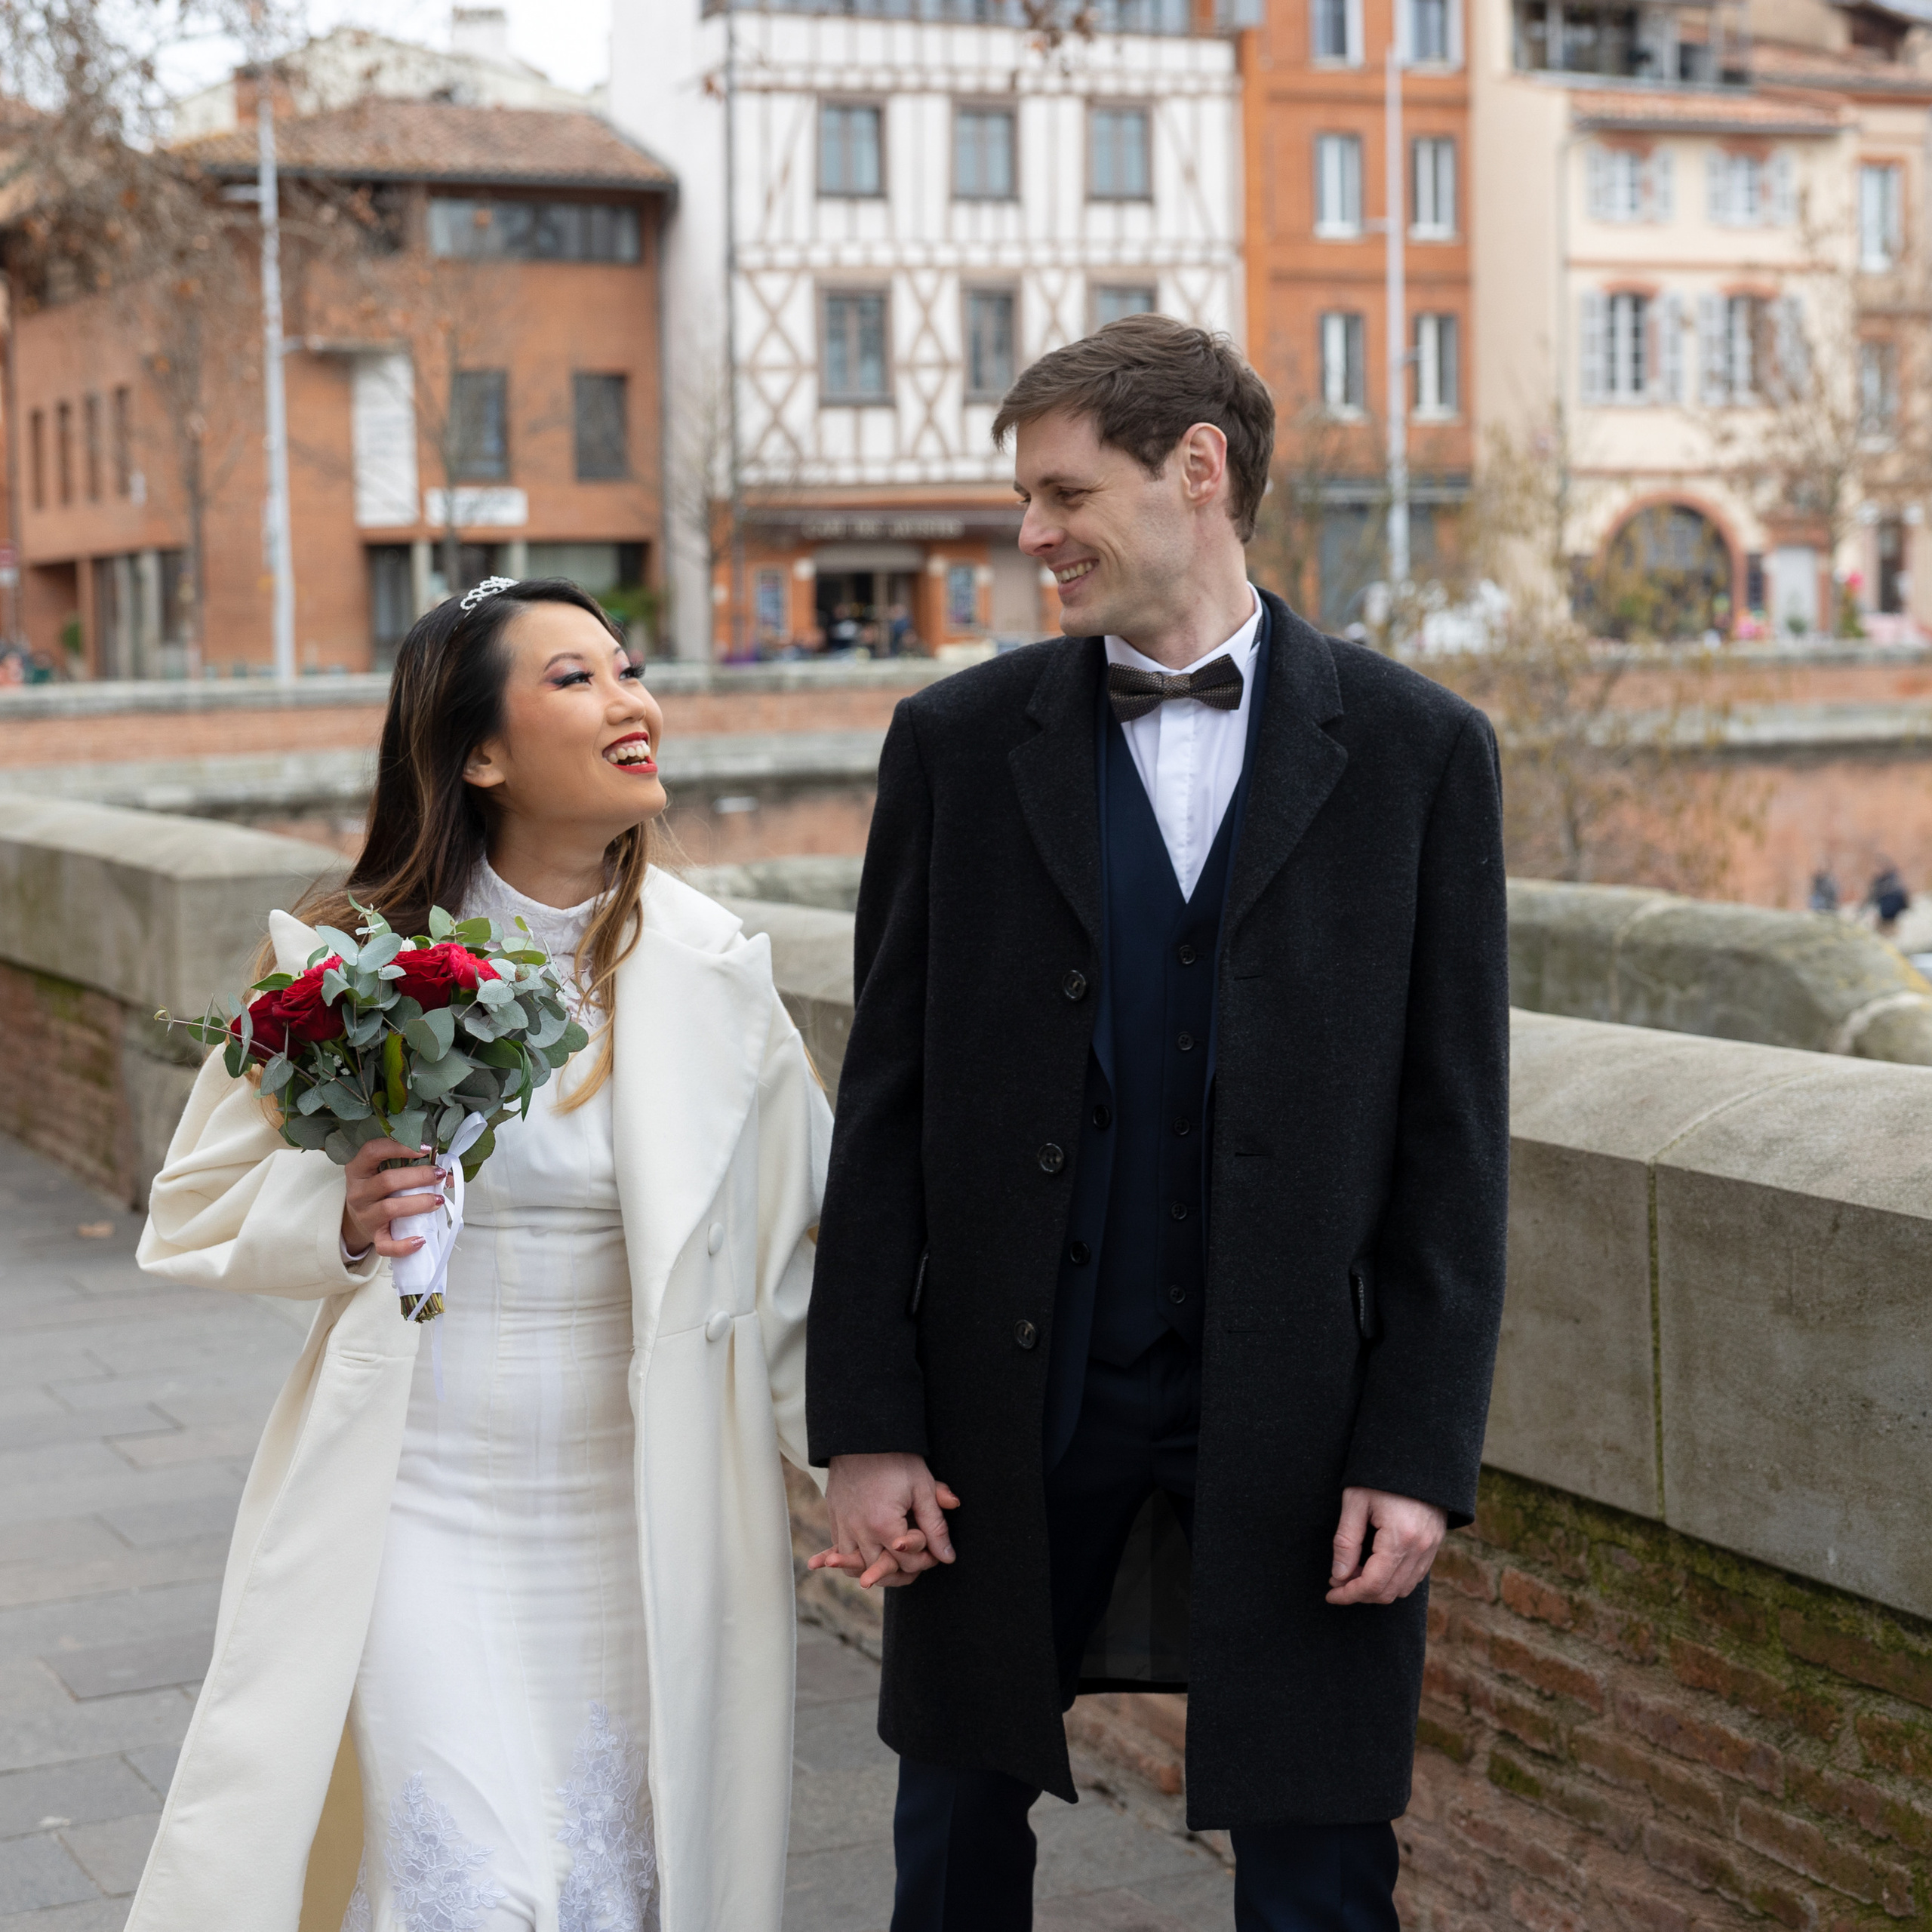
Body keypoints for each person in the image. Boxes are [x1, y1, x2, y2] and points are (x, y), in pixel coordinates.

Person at [804, 316, 1509, 1930]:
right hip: (1005, 1401)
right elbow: (889, 1106)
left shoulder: (1417, 755)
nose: (1031, 532)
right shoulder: (956, 747)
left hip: (1299, 1415)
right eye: (1025, 497)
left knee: (1324, 1853)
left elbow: (1449, 1142)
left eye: (1063, 490)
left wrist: (1415, 1450)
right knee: (956, 1831)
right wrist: (868, 1416)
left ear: (1197, 469)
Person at [128, 577, 831, 1932]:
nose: (632, 703)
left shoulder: (713, 969)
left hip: (646, 1510)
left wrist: (858, 1456)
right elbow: (194, 1202)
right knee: (476, 1892)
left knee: (608, 1889)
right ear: (479, 753)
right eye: (575, 679)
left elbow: (797, 1250)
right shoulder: (350, 965)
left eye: (629, 669)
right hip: (418, 1492)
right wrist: (337, 1215)